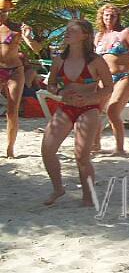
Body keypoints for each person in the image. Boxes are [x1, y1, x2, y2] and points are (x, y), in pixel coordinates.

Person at [41, 20, 113, 206]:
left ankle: (88, 196)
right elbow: (51, 83)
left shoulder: (96, 61)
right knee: (47, 149)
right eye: (67, 29)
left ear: (85, 35)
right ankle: (58, 188)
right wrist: (58, 92)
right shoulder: (59, 59)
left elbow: (108, 88)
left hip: (89, 108)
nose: (67, 32)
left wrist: (90, 99)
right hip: (66, 106)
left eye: (73, 30)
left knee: (81, 155)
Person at [93, 4, 129, 154]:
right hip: (104, 79)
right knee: (95, 111)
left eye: (112, 15)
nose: (109, 18)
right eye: (106, 15)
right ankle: (95, 145)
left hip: (124, 77)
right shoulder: (99, 36)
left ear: (117, 17)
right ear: (101, 17)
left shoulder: (125, 33)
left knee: (112, 111)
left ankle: (120, 148)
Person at [0, 0, 25, 158]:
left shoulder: (17, 28)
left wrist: (29, 36)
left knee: (12, 111)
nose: (2, 15)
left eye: (4, 12)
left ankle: (10, 148)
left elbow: (36, 48)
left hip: (14, 70)